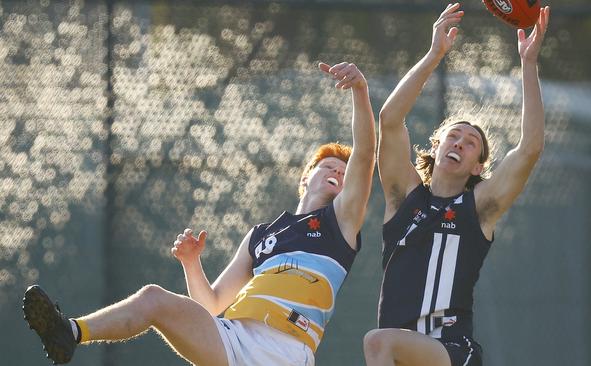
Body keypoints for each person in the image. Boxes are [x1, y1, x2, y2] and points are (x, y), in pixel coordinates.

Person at [22, 61, 376, 366]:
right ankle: (69, 332)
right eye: (329, 165)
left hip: (284, 351)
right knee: (152, 298)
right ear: (305, 177)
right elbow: (211, 304)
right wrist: (191, 263)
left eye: (345, 173)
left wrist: (359, 91)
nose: (339, 172)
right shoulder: (261, 235)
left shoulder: (340, 223)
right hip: (231, 336)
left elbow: (364, 154)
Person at [363, 3, 550, 366]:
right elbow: (389, 119)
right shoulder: (404, 197)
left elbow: (530, 148)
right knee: (381, 343)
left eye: (470, 142)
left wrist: (528, 64)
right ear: (436, 146)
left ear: (479, 165)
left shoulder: (478, 208)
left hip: (451, 350)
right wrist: (434, 54)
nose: (460, 143)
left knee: (377, 343)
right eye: (454, 136)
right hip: (401, 351)